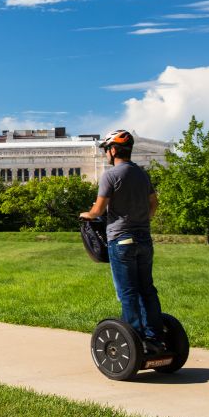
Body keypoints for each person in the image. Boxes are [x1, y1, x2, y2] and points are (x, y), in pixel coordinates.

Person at [80, 129, 164, 353]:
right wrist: (141, 219)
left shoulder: (111, 175)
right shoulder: (141, 174)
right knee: (147, 289)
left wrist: (85, 215)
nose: (106, 154)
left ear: (114, 150)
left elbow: (98, 210)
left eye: (107, 150)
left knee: (127, 292)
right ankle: (154, 337)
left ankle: (135, 339)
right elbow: (154, 204)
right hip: (144, 239)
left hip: (122, 240)